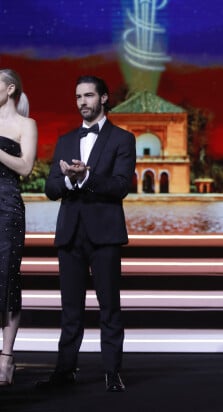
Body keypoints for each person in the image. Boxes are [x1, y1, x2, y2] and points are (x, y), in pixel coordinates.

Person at [39, 75, 136, 392]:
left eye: (89, 95)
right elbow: (51, 188)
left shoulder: (123, 139)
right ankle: (65, 370)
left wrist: (87, 176)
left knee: (109, 307)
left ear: (104, 98)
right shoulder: (66, 140)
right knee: (70, 309)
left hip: (105, 234)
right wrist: (69, 181)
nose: (83, 102)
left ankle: (112, 372)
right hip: (70, 234)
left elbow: (121, 186)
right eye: (78, 96)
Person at [0, 69, 37, 386]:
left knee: (7, 279)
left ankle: (7, 358)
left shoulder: (26, 125)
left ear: (10, 89)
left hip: (7, 206)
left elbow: (26, 167)